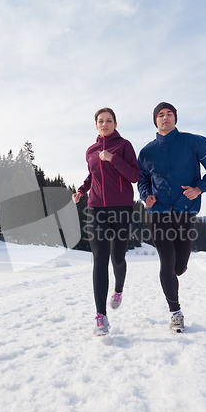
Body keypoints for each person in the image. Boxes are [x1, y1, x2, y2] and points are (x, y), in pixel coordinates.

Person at [137, 102, 206, 333]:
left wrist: (199, 188)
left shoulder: (195, 142)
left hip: (186, 210)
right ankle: (175, 312)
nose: (165, 118)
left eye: (169, 114)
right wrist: (146, 196)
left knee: (179, 266)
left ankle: (177, 272)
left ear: (175, 118)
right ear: (155, 121)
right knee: (166, 263)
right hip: (158, 213)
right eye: (160, 115)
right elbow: (142, 180)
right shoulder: (147, 151)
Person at [72, 108, 140, 336]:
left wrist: (113, 159)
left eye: (109, 120)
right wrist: (82, 190)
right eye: (101, 121)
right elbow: (93, 175)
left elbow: (134, 175)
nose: (105, 124)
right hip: (96, 208)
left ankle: (118, 289)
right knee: (100, 258)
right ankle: (101, 316)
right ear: (96, 125)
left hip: (121, 208)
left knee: (117, 257)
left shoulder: (124, 145)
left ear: (115, 123)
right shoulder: (90, 150)